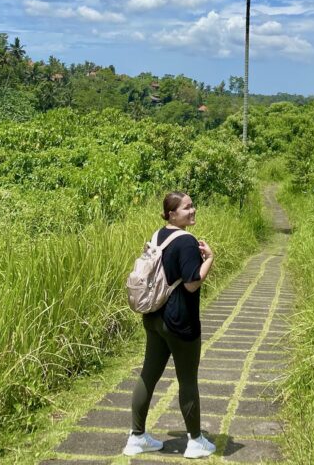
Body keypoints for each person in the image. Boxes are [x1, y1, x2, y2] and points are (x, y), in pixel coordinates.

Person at [123, 191, 216, 459]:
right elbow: (191, 282)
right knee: (187, 380)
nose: (193, 210)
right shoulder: (186, 241)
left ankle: (137, 437)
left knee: (148, 375)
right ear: (172, 213)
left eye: (192, 205)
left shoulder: (157, 236)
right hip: (178, 321)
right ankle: (196, 441)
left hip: (153, 317)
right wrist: (209, 259)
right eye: (187, 208)